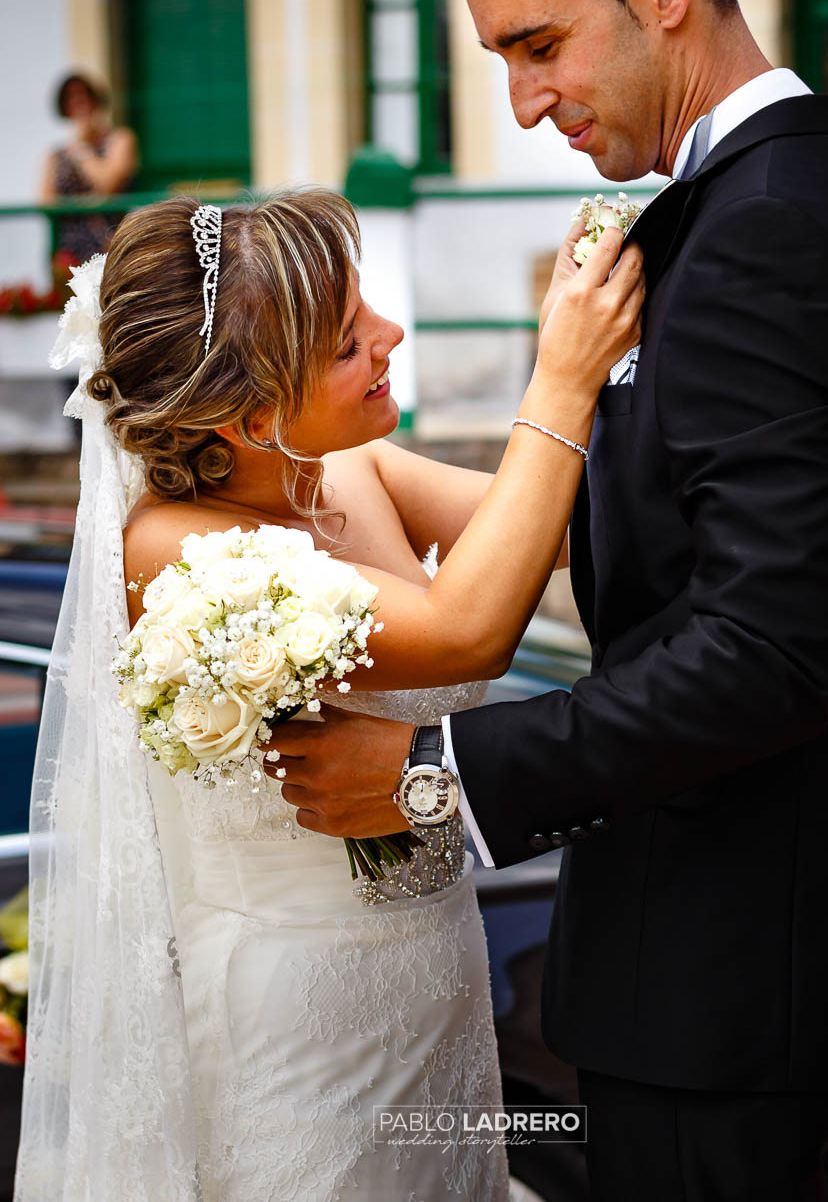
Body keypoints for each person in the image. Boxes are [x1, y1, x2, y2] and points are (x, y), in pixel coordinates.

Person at [269, 0, 828, 1201]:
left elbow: (770, 644)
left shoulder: (760, 233)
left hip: (735, 1006)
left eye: (540, 46)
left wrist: (440, 782)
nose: (526, 104)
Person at [15, 189, 644, 1200]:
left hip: (437, 978)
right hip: (300, 1026)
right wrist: (558, 378)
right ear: (254, 413)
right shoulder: (178, 552)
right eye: (351, 343)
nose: (393, 337)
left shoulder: (346, 465)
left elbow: (562, 531)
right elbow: (468, 628)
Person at [39, 71, 138, 261]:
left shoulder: (119, 140)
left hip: (108, 245)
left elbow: (108, 184)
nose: (78, 102)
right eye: (70, 98)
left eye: (84, 95)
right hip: (68, 251)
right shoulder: (56, 155)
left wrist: (82, 149)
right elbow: (46, 202)